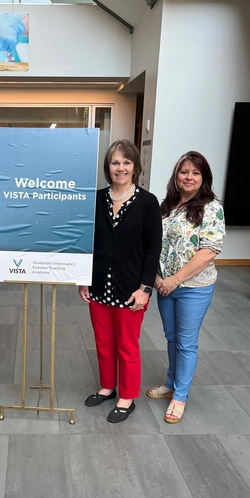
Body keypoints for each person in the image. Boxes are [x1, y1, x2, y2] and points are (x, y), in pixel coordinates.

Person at [79, 140, 162, 423]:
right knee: (103, 342)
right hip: (99, 285)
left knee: (127, 345)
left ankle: (127, 396)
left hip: (131, 290)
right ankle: (107, 387)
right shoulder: (96, 198)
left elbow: (153, 249)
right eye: (115, 162)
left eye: (126, 162)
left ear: (135, 167)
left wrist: (145, 288)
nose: (121, 167)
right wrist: (83, 279)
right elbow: (85, 242)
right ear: (108, 167)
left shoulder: (148, 203)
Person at [147, 151, 225, 423]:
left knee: (186, 342)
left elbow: (209, 251)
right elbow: (154, 243)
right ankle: (171, 383)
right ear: (176, 175)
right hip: (164, 286)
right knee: (171, 338)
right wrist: (157, 277)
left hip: (193, 287)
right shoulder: (166, 205)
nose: (189, 177)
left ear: (203, 178)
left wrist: (173, 280)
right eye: (184, 171)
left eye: (195, 173)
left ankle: (180, 396)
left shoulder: (212, 206)